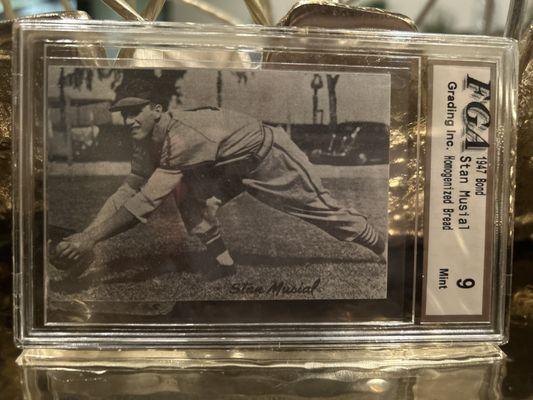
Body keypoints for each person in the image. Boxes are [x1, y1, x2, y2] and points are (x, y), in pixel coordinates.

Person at [56, 79, 386, 280]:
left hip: (267, 156)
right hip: (225, 164)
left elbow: (144, 203)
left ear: (156, 109)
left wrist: (89, 240)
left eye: (134, 112)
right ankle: (225, 265)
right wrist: (86, 236)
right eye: (124, 114)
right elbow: (129, 187)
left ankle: (380, 244)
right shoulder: (145, 138)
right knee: (190, 201)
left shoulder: (181, 135)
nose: (128, 120)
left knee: (317, 209)